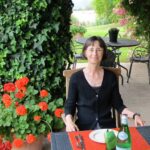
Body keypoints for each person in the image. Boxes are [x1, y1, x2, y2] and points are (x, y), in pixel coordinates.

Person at [64, 36, 144, 132]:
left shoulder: (110, 77)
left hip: (108, 129)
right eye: (91, 49)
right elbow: (70, 105)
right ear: (85, 52)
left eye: (99, 50)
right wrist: (69, 122)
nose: (95, 53)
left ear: (103, 53)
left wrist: (135, 115)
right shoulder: (76, 78)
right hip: (84, 129)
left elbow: (119, 105)